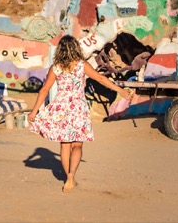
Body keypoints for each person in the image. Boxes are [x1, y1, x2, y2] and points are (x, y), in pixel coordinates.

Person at [27, 35, 133, 192]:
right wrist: (120, 90)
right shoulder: (82, 65)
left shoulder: (55, 67)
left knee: (65, 144)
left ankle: (67, 178)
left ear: (60, 50)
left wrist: (34, 111)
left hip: (61, 107)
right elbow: (100, 78)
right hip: (78, 107)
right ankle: (71, 176)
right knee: (77, 144)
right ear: (76, 48)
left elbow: (44, 90)